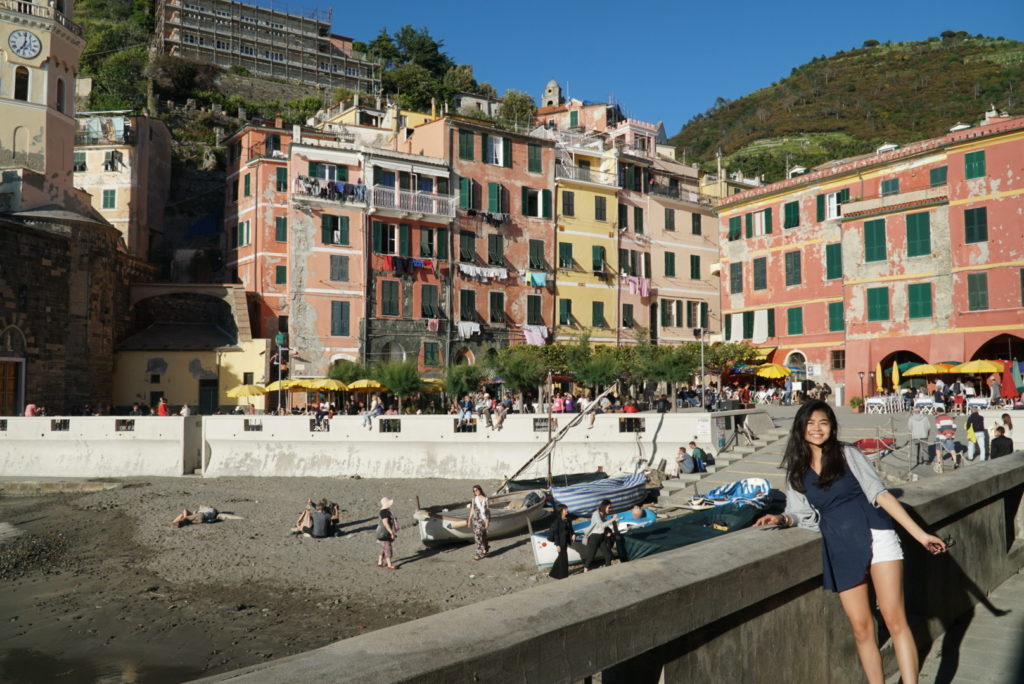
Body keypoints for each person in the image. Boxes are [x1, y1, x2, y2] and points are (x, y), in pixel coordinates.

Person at [754, 400, 947, 684]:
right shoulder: (796, 471)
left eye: (823, 423)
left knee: (895, 620)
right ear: (800, 428)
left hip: (877, 533)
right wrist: (781, 519)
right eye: (810, 423)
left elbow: (879, 493)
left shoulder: (847, 454)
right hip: (841, 544)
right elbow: (802, 514)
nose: (816, 429)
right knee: (861, 628)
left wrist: (920, 534)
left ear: (832, 427)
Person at [581, 499, 617, 572]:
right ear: (604, 506)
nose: (610, 509)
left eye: (610, 508)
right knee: (591, 556)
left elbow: (604, 527)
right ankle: (585, 569)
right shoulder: (596, 514)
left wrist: (607, 531)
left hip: (601, 537)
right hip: (594, 537)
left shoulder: (603, 515)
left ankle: (609, 570)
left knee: (608, 556)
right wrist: (612, 520)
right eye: (609, 507)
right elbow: (601, 525)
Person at [546, 504, 572, 580]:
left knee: (561, 557)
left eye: (566, 509)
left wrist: (573, 534)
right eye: (565, 509)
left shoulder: (567, 518)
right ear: (561, 511)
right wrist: (557, 545)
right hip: (560, 542)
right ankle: (563, 575)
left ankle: (553, 573)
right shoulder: (557, 521)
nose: (567, 510)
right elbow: (556, 534)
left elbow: (570, 529)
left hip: (565, 541)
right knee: (563, 559)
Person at [468, 485, 490, 561]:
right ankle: (481, 551)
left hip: (483, 520)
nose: (475, 492)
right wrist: (469, 519)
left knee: (481, 536)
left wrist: (487, 522)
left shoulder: (485, 499)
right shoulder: (474, 499)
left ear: (480, 490)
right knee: (478, 536)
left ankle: (481, 552)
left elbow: (487, 512)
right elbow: (472, 509)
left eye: (476, 490)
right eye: (474, 491)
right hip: (476, 520)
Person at [377, 497, 398, 569]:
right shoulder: (384, 512)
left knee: (384, 547)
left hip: (381, 532)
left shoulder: (384, 511)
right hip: (384, 533)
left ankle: (380, 562)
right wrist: (391, 532)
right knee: (388, 548)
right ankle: (389, 565)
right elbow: (386, 523)